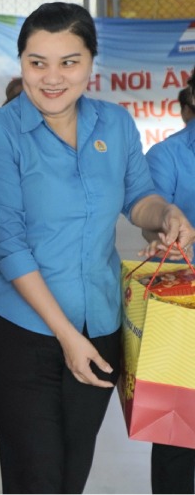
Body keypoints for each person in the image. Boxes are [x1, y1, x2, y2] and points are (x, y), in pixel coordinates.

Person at [0, 2, 194, 494]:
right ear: (21, 64)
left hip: (99, 321)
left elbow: (139, 198)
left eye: (68, 61)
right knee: (37, 477)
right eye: (38, 63)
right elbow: (7, 245)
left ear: (91, 62)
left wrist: (166, 215)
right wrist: (66, 337)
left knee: (72, 472)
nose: (52, 78)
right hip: (20, 330)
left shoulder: (114, 125)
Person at [143, 80, 195, 495]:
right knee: (179, 433)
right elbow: (151, 212)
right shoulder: (168, 156)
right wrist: (165, 227)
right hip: (185, 314)